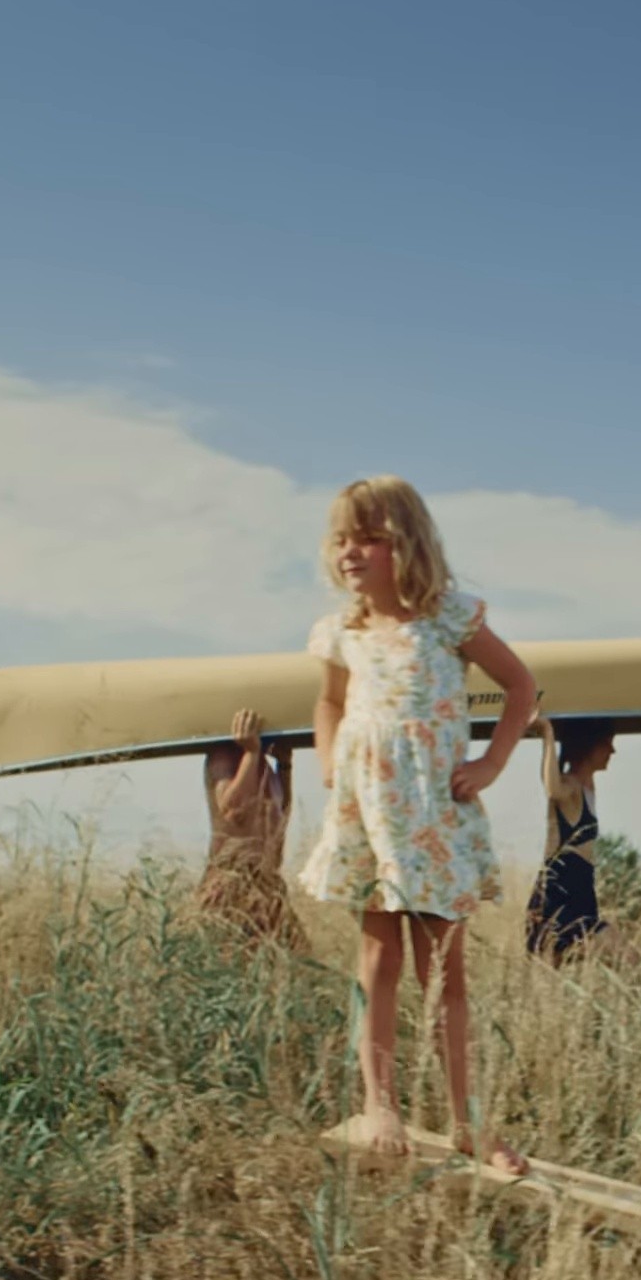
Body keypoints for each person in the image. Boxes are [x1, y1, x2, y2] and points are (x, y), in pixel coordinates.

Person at [295, 476, 537, 1174]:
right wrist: (331, 765)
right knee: (378, 961)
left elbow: (520, 687)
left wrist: (491, 762)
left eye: (369, 536)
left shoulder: (447, 618)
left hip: (432, 814)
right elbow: (329, 702)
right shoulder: (341, 631)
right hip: (369, 813)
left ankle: (468, 1122)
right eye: (342, 538)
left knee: (445, 973)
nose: (352, 551)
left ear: (408, 544)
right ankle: (381, 1103)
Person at [195, 708, 305, 948]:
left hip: (266, 883)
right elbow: (234, 810)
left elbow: (279, 815)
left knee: (296, 956)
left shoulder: (261, 763)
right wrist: (251, 754)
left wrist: (285, 766)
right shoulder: (224, 755)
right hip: (232, 881)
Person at [525, 713, 615, 960]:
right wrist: (547, 734)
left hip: (581, 891)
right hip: (559, 892)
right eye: (608, 742)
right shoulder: (571, 785)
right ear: (590, 745)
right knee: (621, 955)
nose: (613, 750)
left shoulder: (588, 788)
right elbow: (553, 789)